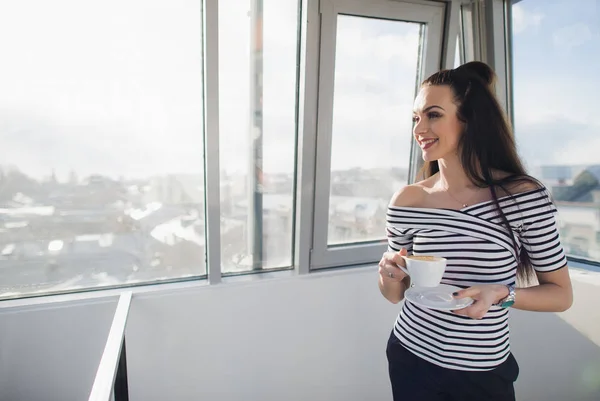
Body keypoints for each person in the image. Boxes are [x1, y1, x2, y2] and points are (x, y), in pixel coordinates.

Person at [378, 61, 573, 401]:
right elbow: (397, 295)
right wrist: (389, 275)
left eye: (433, 114)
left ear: (469, 120)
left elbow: (560, 295)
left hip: (482, 371)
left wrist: (501, 294)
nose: (419, 128)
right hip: (409, 356)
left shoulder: (523, 196)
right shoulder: (408, 200)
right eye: (416, 118)